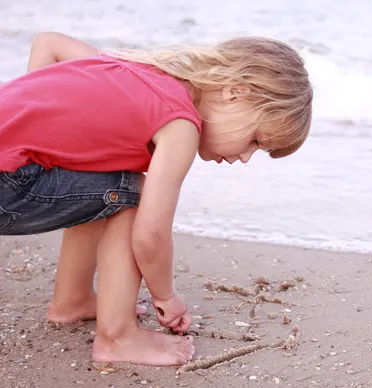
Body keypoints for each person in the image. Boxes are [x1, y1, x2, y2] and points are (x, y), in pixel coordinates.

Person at [0, 32, 313, 366]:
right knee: (131, 191)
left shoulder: (136, 68)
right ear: (236, 93)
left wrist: (30, 114)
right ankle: (117, 337)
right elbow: (150, 236)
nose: (247, 157)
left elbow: (49, 43)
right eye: (255, 140)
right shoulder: (180, 126)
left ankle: (72, 300)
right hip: (8, 183)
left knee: (100, 178)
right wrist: (166, 295)